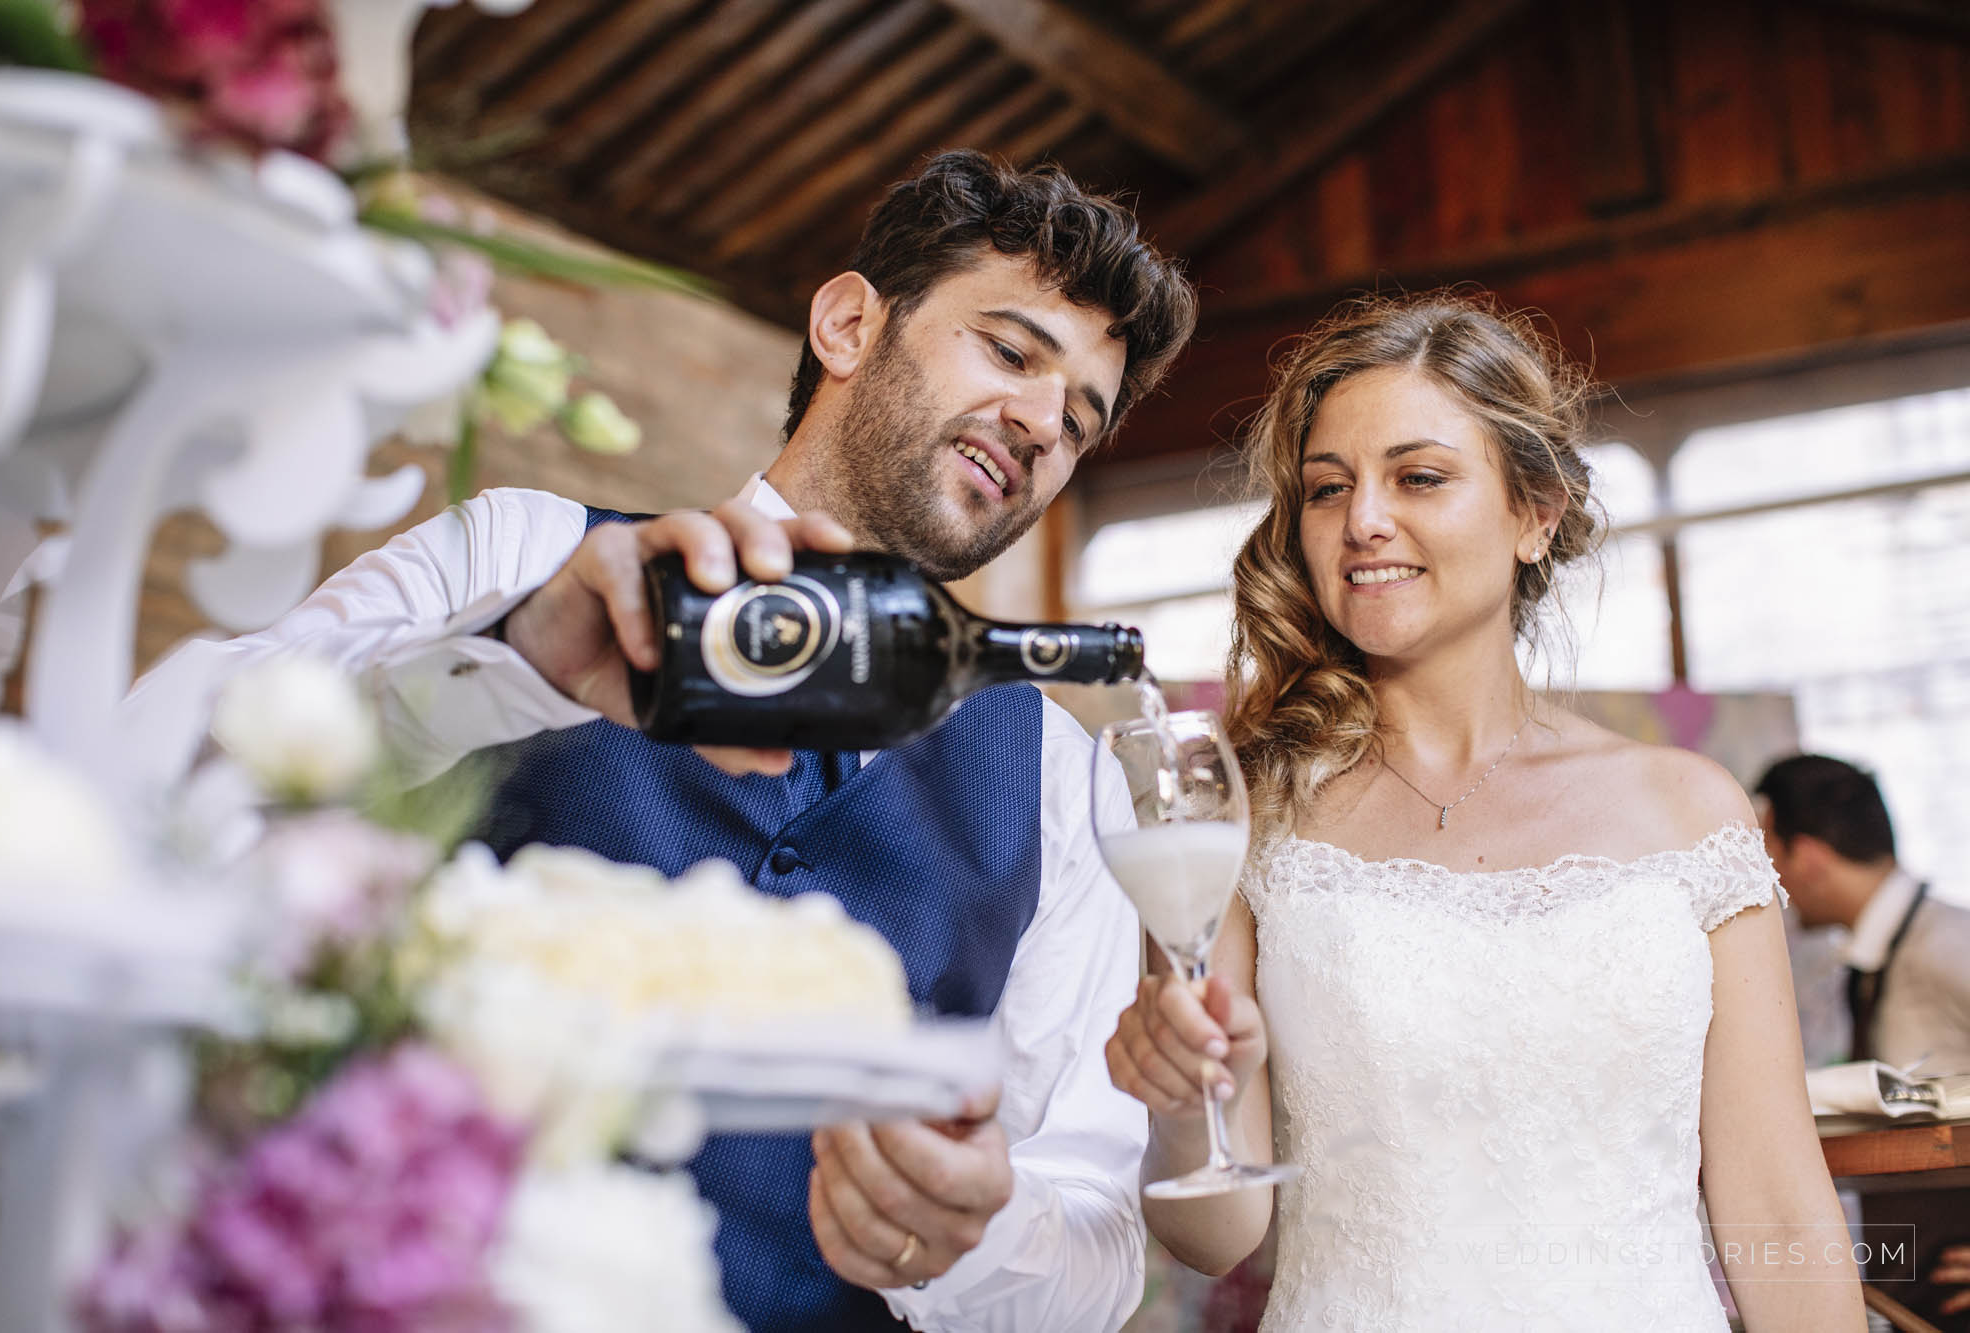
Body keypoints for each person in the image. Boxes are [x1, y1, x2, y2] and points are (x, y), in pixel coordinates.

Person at [128, 150, 1197, 1332]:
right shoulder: (519, 556)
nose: (1044, 425)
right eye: (1010, 352)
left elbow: (1095, 1224)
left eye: (1081, 419)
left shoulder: (1060, 772)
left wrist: (977, 1229)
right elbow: (157, 781)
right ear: (848, 324)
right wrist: (512, 665)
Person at [1104, 292, 1865, 1330]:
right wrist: (1182, 1105)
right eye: (1327, 489)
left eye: (1417, 477)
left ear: (1532, 512)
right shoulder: (1237, 814)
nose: (1362, 519)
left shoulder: (1689, 811)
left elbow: (1776, 1202)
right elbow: (1212, 1232)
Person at [1756, 753, 1970, 1331]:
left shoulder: (1947, 946)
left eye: (1768, 849)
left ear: (1810, 857)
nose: (1767, 873)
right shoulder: (1877, 956)